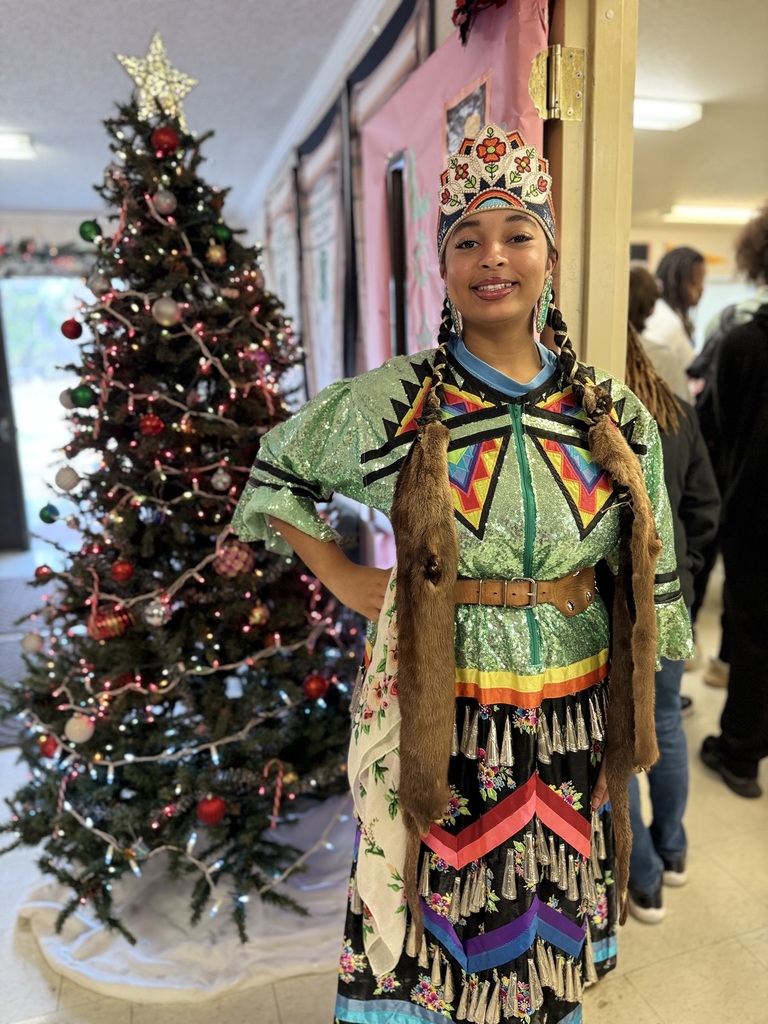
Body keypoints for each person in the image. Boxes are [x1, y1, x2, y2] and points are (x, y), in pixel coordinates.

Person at [232, 124, 692, 1022]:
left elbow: (655, 554)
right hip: (444, 701)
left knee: (547, 902)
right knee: (434, 900)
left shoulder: (609, 410)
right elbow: (275, 471)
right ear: (441, 262)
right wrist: (341, 573)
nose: (494, 258)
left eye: (517, 234)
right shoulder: (400, 402)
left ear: (548, 254)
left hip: (575, 700)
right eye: (467, 239)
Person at [623, 314, 720, 923]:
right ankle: (674, 851)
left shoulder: (596, 418)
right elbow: (705, 507)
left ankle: (645, 878)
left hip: (610, 605)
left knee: (622, 741)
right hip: (672, 597)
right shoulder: (674, 411)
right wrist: (682, 569)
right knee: (666, 727)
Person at [700, 204, 768, 800]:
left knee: (751, 634)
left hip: (754, 512)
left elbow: (716, 429)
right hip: (751, 513)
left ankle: (741, 755)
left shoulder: (743, 344)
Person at [641, 246, 706, 400]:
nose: (702, 289)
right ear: (676, 281)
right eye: (696, 281)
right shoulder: (664, 321)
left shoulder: (670, 316)